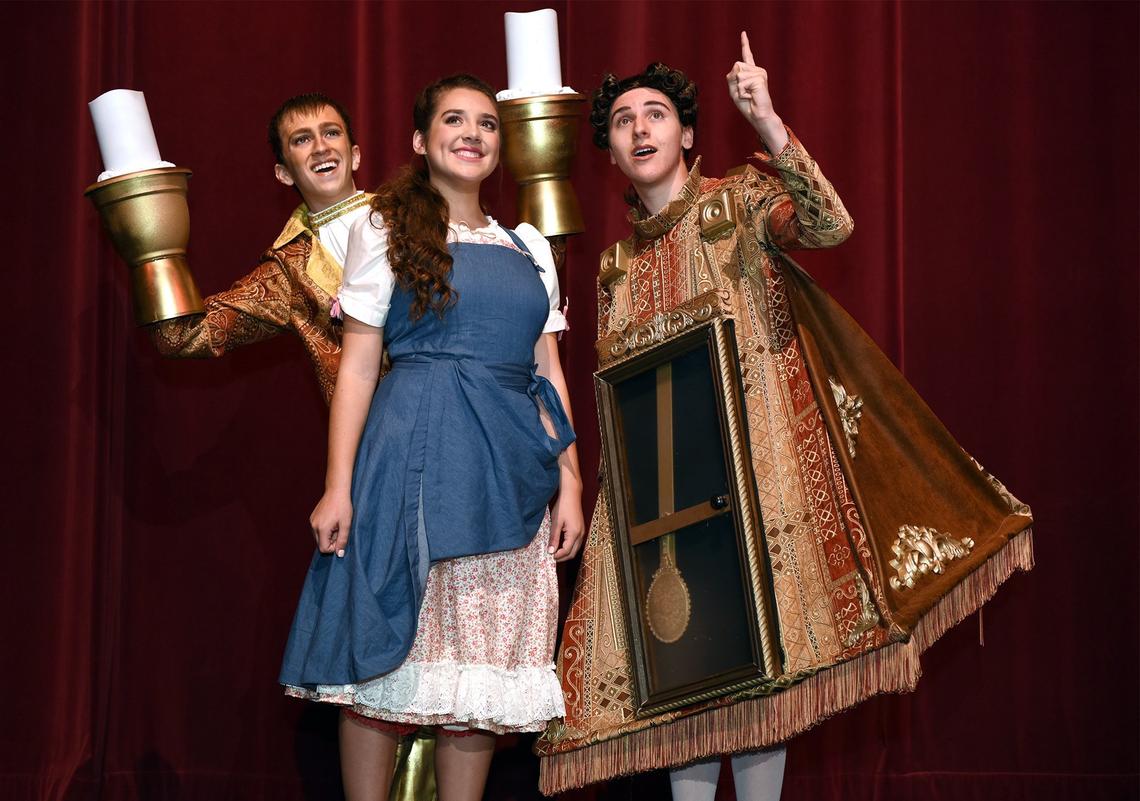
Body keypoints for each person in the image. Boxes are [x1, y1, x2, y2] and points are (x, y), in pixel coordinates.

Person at [537, 33, 1033, 799]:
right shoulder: (613, 268)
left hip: (757, 482)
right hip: (664, 510)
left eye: (657, 114)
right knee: (684, 681)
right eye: (624, 120)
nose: (640, 128)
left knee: (764, 675)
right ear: (608, 151)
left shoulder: (737, 201)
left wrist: (768, 121)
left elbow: (831, 225)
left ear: (688, 134)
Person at [279, 74, 585, 801]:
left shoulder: (529, 246)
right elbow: (356, 368)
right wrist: (338, 484)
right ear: (421, 142)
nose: (473, 133)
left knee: (478, 673)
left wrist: (570, 481)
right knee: (388, 661)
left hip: (511, 470)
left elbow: (550, 371)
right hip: (414, 457)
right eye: (455, 120)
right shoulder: (381, 230)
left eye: (486, 123)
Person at [152, 93, 370, 403]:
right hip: (376, 433)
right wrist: (151, 248)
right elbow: (180, 337)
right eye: (302, 139)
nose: (322, 147)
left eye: (331, 132)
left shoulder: (414, 216)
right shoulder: (287, 272)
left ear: (356, 154)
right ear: (284, 173)